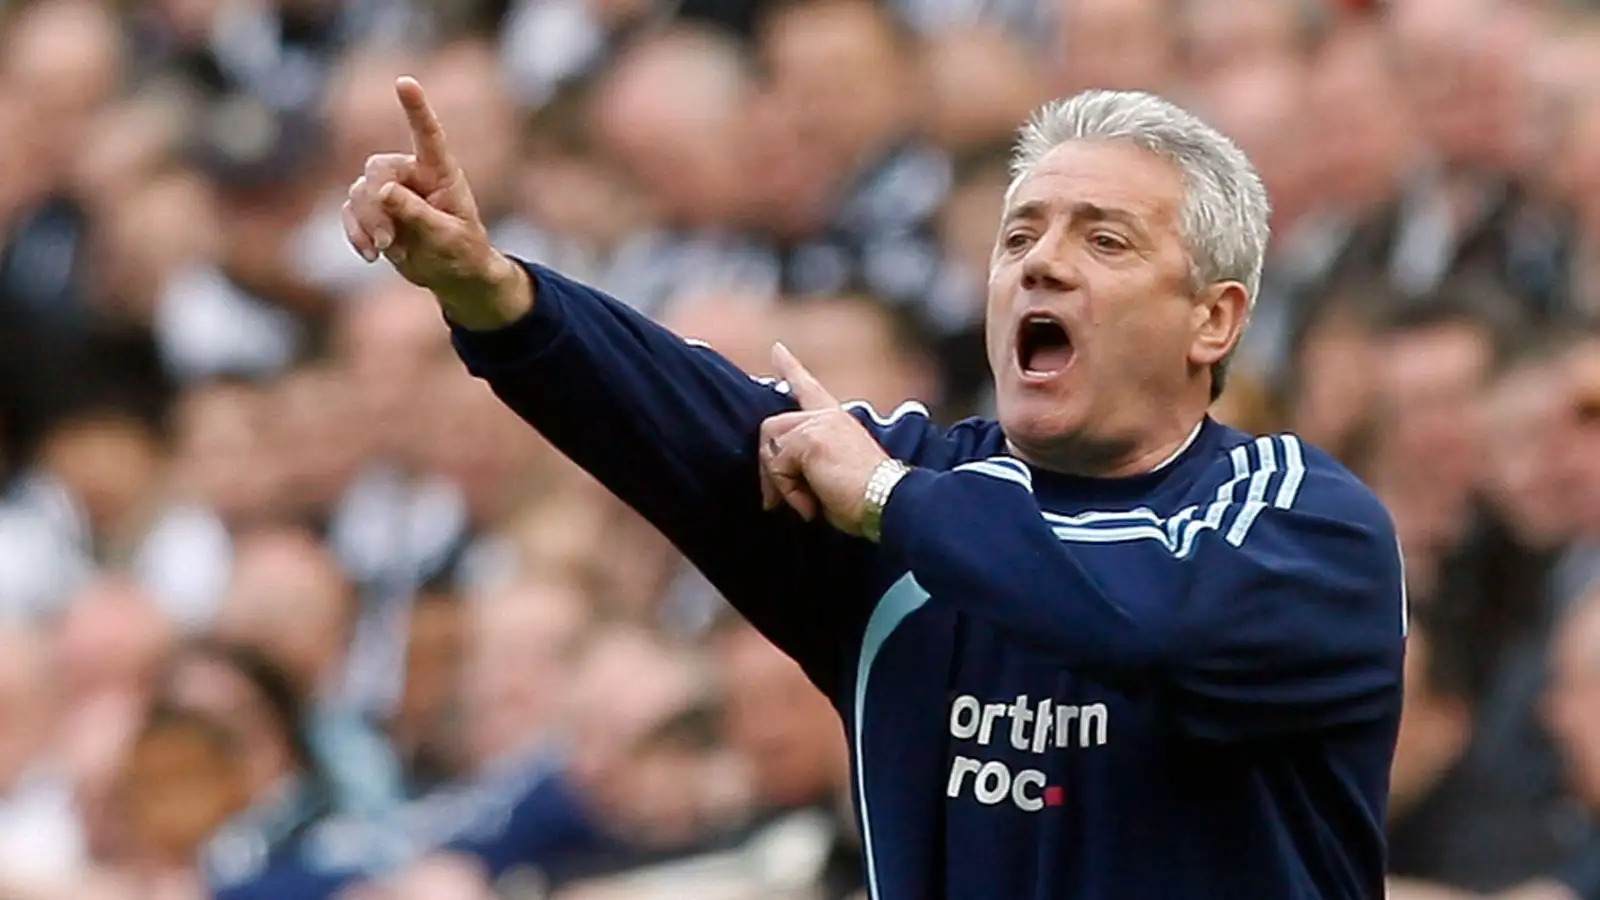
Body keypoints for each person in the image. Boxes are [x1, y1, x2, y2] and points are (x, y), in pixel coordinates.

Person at [341, 78, 1408, 899]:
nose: (1040, 264)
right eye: (1019, 235)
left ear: (1212, 320)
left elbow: (1146, 623)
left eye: (1105, 239)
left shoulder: (1306, 527)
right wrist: (496, 292)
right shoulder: (914, 494)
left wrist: (889, 498)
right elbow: (683, 422)